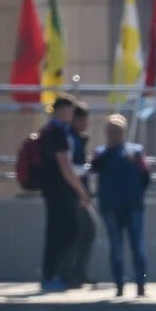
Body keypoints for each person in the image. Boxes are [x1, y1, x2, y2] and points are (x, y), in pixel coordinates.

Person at [87, 115, 151, 297]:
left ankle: (141, 284)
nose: (114, 135)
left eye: (117, 131)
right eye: (111, 131)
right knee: (116, 246)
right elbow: (93, 167)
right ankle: (119, 284)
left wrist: (137, 194)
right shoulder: (101, 153)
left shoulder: (135, 153)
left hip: (132, 205)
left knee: (137, 245)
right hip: (111, 207)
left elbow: (145, 176)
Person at [35, 94, 91, 292]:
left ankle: (52, 274)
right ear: (61, 111)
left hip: (54, 189)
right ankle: (52, 275)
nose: (71, 115)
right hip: (59, 190)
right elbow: (65, 166)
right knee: (64, 232)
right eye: (69, 111)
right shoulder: (57, 132)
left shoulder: (51, 130)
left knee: (61, 232)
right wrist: (81, 191)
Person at [60, 103, 100, 289]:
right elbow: (69, 167)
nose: (85, 123)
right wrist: (87, 169)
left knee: (85, 231)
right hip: (73, 192)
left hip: (80, 192)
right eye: (82, 120)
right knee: (81, 231)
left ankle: (78, 273)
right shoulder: (69, 138)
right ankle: (70, 274)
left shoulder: (78, 138)